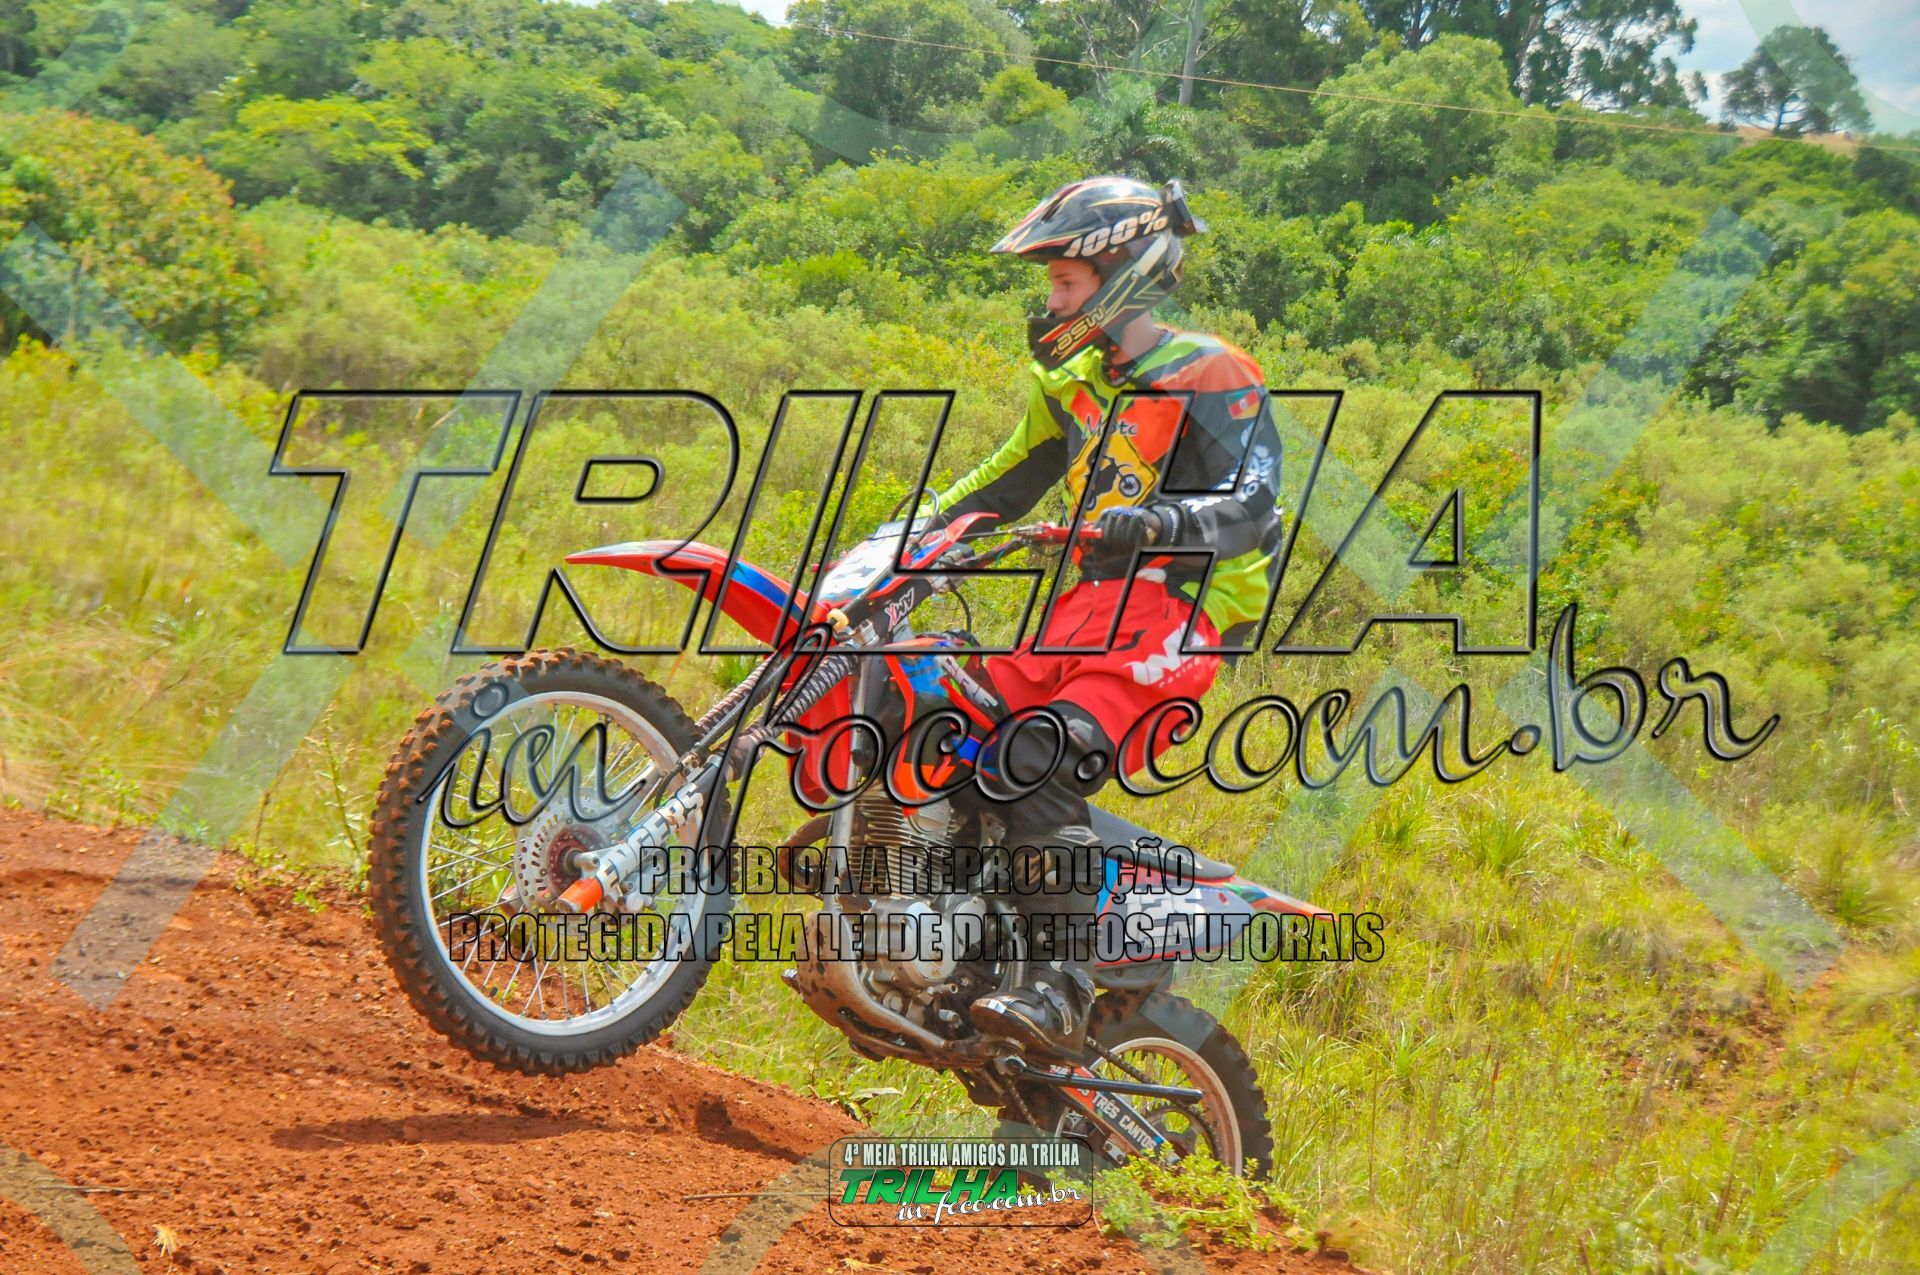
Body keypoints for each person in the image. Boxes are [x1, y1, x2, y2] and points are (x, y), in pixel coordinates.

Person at [934, 175, 1285, 1057]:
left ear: (1124, 273)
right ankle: (965, 948)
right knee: (944, 725)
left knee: (1034, 755)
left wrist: (1164, 523)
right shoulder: (1075, 382)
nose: (1050, 301)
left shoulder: (1212, 370)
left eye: (1065, 282)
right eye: (1050, 283)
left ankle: (1060, 983)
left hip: (1180, 614)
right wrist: (907, 536)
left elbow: (1255, 500)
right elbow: (1006, 478)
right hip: (1083, 613)